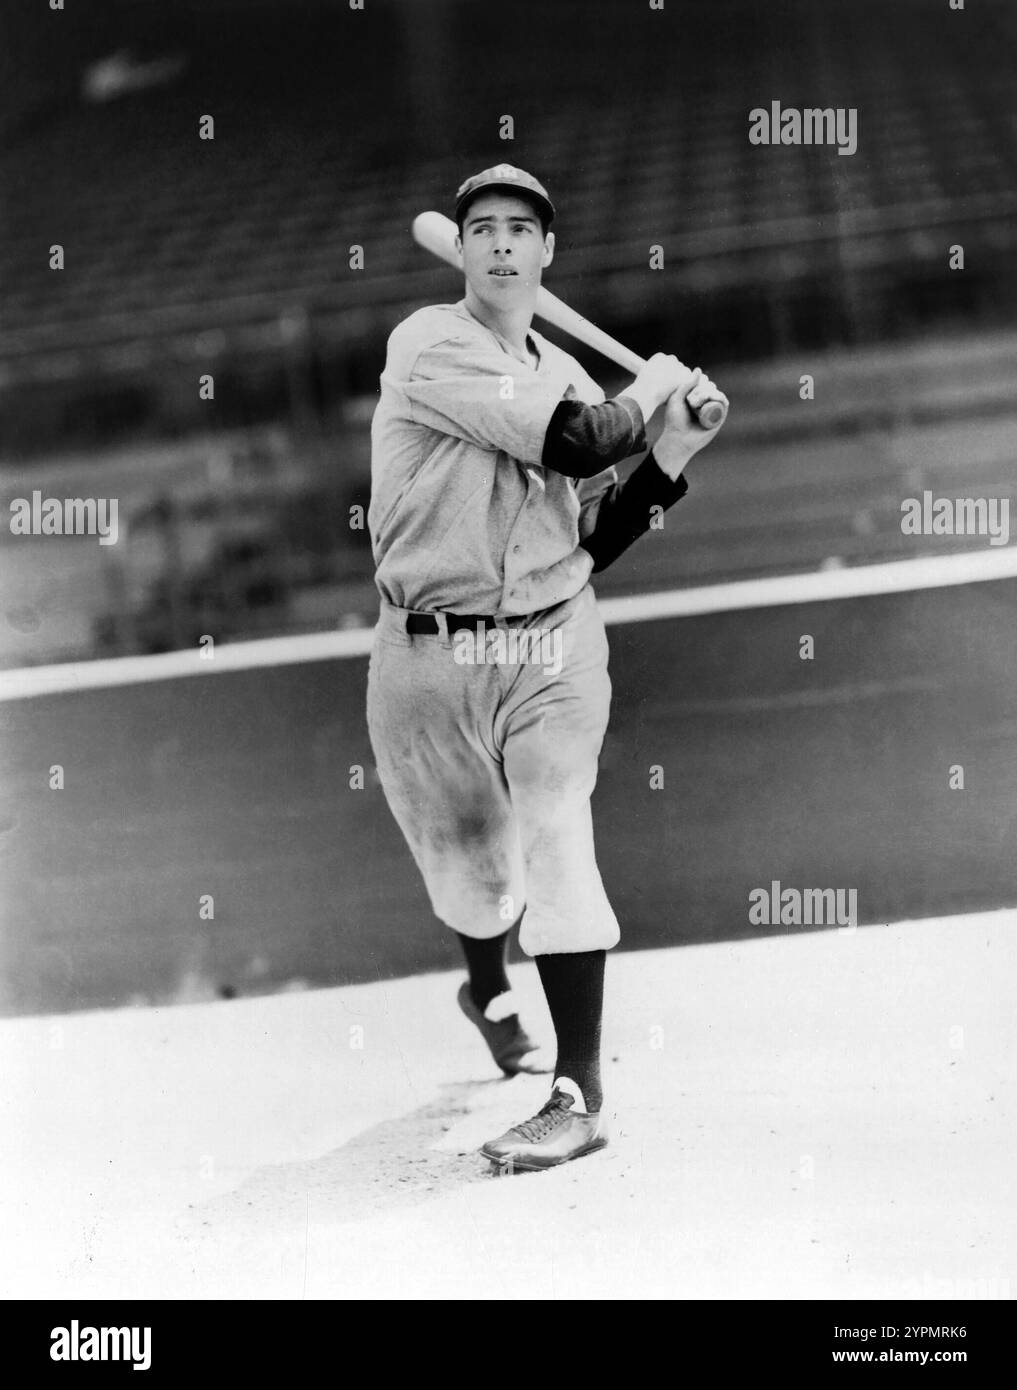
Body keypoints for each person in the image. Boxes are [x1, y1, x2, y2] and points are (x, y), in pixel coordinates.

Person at [367, 164, 727, 1170]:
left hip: (552, 642)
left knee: (558, 838)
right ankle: (486, 984)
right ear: (465, 250)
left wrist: (671, 459)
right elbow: (578, 441)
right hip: (427, 650)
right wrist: (651, 391)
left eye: (521, 228)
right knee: (474, 875)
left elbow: (594, 537)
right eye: (480, 227)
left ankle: (579, 1088)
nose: (497, 241)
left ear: (546, 252)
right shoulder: (428, 344)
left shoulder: (564, 369)